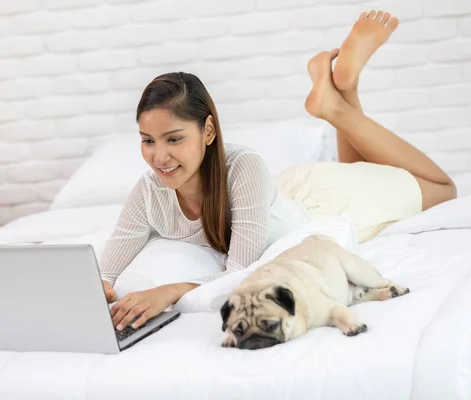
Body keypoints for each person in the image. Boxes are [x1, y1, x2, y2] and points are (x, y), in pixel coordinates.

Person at [101, 10, 457, 333]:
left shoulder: (244, 167)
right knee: (359, 167)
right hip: (284, 196)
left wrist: (171, 291)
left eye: (173, 139)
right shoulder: (149, 190)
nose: (159, 156)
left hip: (325, 206)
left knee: (442, 189)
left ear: (208, 131)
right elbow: (105, 272)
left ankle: (334, 107)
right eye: (147, 141)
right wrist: (95, 293)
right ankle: (344, 86)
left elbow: (240, 271)